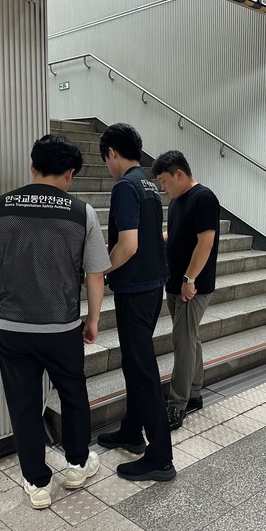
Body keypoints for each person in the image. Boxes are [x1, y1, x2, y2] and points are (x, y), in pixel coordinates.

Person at [0, 135, 110, 509]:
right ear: (70, 173)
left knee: (23, 404)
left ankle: (37, 483)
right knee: (73, 395)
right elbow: (96, 274)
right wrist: (93, 320)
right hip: (61, 327)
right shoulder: (81, 213)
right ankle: (76, 466)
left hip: (11, 328)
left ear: (32, 166)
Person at [96, 123, 176, 482]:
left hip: (135, 290)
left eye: (106, 159)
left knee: (142, 370)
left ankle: (160, 457)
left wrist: (99, 269)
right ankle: (131, 431)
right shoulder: (147, 183)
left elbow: (128, 245)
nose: (108, 165)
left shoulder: (125, 187)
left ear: (112, 152)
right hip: (151, 286)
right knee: (135, 363)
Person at [152, 151, 220, 430]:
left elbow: (205, 242)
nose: (162, 188)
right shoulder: (177, 202)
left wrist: (190, 278)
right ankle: (193, 392)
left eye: (164, 181)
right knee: (190, 338)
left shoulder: (204, 198)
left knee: (182, 341)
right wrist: (154, 239)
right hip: (175, 282)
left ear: (179, 174)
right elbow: (178, 233)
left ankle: (177, 404)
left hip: (192, 286)